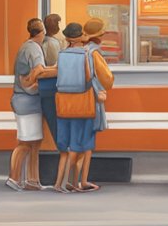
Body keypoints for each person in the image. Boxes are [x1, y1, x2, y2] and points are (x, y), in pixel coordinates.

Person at [53, 22, 114, 193]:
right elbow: (100, 79)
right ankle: (67, 182)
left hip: (64, 104)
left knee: (66, 146)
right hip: (83, 103)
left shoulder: (62, 54)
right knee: (81, 144)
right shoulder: (88, 54)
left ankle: (63, 182)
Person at [9, 18, 52, 191]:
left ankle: (32, 181)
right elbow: (38, 70)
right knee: (26, 142)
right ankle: (14, 178)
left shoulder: (25, 46)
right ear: (42, 32)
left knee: (34, 142)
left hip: (25, 100)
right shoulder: (34, 49)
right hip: (27, 100)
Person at [77, 18, 113, 192]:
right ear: (99, 36)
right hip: (92, 99)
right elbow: (107, 79)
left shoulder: (78, 50)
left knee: (77, 140)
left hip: (76, 100)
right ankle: (82, 180)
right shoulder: (95, 53)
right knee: (87, 142)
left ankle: (72, 179)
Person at [38, 13, 65, 160]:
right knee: (54, 122)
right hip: (51, 86)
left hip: (43, 86)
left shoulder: (44, 42)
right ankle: (62, 152)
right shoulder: (53, 43)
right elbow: (56, 66)